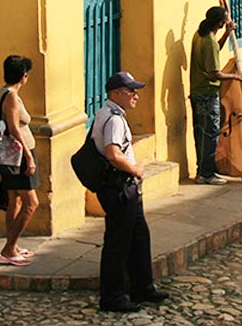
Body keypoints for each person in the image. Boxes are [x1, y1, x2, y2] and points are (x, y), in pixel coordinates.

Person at [93, 71, 169, 313]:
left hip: (126, 188)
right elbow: (113, 154)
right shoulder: (113, 119)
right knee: (118, 243)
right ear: (116, 94)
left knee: (139, 237)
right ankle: (112, 297)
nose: (136, 96)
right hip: (119, 187)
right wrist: (135, 170)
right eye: (131, 92)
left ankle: (142, 286)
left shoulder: (112, 114)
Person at [189, 6, 242, 185]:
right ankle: (206, 174)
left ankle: (203, 170)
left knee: (201, 133)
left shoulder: (200, 35)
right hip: (208, 93)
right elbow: (214, 73)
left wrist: (227, 35)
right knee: (210, 134)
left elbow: (215, 51)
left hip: (197, 92)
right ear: (221, 23)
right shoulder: (209, 42)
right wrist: (236, 76)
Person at [0, 55, 39, 267]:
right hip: (19, 154)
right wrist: (29, 157)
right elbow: (13, 128)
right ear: (24, 76)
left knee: (15, 200)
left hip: (12, 154)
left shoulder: (2, 93)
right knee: (31, 203)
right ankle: (9, 248)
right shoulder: (11, 97)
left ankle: (14, 245)